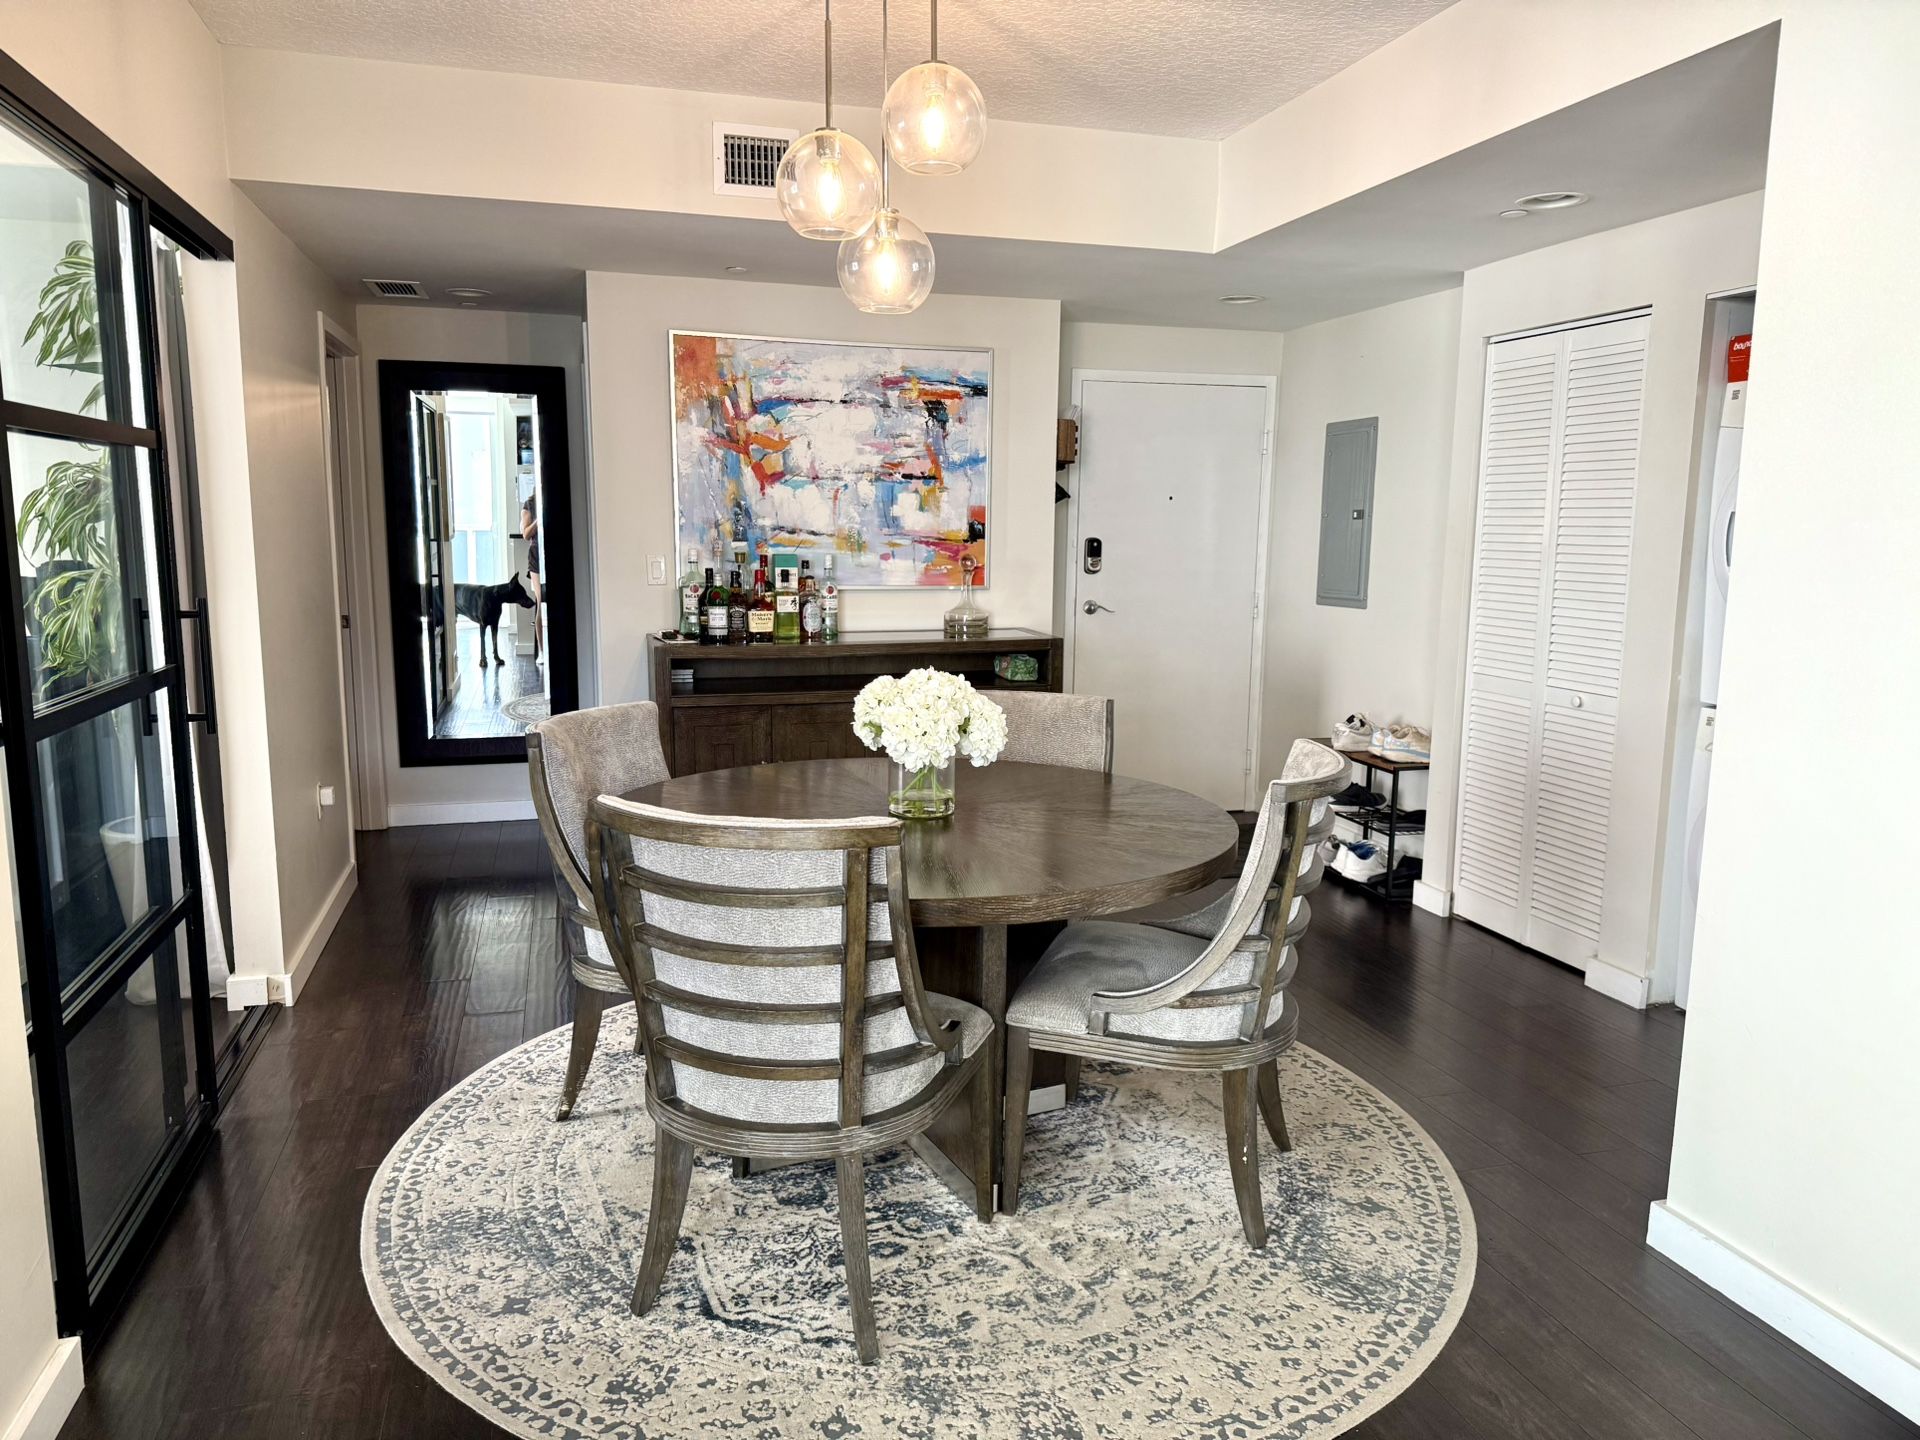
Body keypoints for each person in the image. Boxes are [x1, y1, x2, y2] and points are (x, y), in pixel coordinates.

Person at [520, 491, 542, 661]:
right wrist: (538, 519)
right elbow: (526, 534)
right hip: (536, 554)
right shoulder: (529, 504)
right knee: (540, 600)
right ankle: (541, 652)